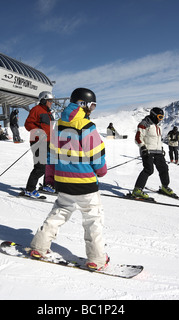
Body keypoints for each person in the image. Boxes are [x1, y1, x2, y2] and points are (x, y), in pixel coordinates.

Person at [30, 88, 109, 271]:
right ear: (83, 104)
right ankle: (96, 259)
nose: (92, 109)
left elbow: (51, 154)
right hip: (85, 183)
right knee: (93, 218)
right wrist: (102, 171)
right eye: (92, 105)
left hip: (63, 180)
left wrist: (50, 178)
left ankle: (39, 247)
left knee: (59, 212)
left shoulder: (57, 127)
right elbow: (96, 153)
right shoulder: (86, 126)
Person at [132, 107, 176, 199]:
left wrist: (161, 148)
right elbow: (138, 137)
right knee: (149, 170)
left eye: (162, 117)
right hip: (147, 151)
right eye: (160, 117)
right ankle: (137, 190)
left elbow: (157, 139)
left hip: (158, 151)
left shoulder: (157, 126)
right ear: (153, 115)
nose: (161, 119)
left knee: (164, 168)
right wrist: (143, 147)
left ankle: (165, 187)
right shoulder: (144, 124)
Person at [24, 91, 56, 197]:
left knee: (49, 165)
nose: (51, 103)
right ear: (43, 100)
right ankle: (29, 189)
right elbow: (28, 124)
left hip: (47, 142)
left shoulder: (48, 112)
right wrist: (39, 133)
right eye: (49, 101)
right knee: (40, 167)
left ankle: (46, 185)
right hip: (38, 141)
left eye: (52, 101)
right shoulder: (36, 110)